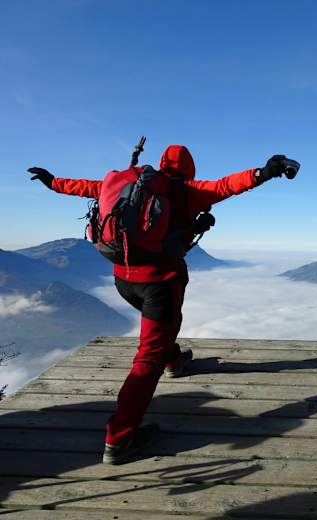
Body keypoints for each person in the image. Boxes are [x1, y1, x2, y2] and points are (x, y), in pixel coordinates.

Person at [27, 145, 296, 464]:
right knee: (148, 357)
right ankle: (120, 438)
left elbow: (83, 187)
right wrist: (265, 172)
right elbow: (228, 185)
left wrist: (52, 181)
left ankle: (174, 361)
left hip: (123, 280)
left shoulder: (127, 186)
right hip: (160, 285)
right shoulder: (187, 191)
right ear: (188, 170)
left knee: (160, 335)